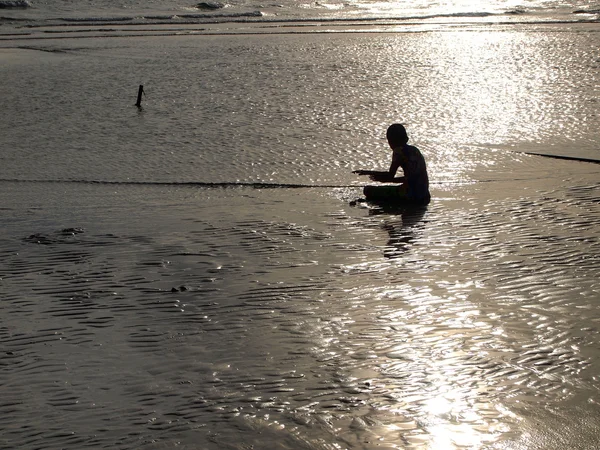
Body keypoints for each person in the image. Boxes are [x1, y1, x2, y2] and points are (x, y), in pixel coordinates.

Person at [353, 124, 430, 205]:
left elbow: (390, 176)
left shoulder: (398, 152)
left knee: (367, 190)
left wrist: (379, 178)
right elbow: (412, 178)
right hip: (424, 194)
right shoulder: (415, 150)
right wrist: (369, 173)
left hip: (410, 194)